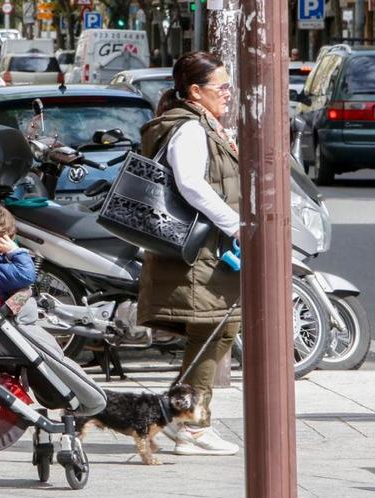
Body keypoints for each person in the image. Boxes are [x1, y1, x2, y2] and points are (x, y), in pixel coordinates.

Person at [138, 51, 241, 456]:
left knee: (214, 333)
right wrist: (234, 224)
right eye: (222, 86)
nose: (228, 94)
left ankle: (178, 418)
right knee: (215, 332)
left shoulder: (200, 123)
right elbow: (191, 185)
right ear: (196, 91)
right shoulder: (190, 128)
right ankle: (193, 428)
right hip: (200, 253)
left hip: (205, 252)